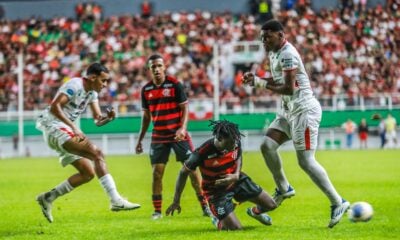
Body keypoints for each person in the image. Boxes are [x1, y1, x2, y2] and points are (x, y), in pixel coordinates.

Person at [242, 19, 349, 228]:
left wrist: (260, 83)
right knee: (267, 146)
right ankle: (283, 188)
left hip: (304, 111)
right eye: (262, 37)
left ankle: (338, 202)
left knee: (306, 161)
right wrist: (257, 79)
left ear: (281, 35)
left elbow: (289, 88)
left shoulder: (288, 54)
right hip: (288, 111)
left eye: (267, 36)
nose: (263, 41)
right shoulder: (274, 53)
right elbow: (279, 81)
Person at [35, 63, 140, 223]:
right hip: (54, 126)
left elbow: (97, 120)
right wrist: (74, 127)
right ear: (92, 77)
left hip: (63, 130)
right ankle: (116, 200)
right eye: (103, 81)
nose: (105, 85)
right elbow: (55, 107)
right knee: (97, 154)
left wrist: (108, 118)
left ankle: (48, 197)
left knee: (88, 173)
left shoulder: (92, 93)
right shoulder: (75, 85)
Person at [135, 54, 209, 220]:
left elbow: (185, 109)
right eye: (153, 66)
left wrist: (182, 128)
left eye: (159, 65)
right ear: (149, 69)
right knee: (156, 173)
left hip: (178, 135)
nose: (156, 69)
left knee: (191, 170)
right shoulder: (146, 90)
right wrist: (140, 140)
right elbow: (146, 117)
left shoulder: (175, 84)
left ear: (164, 67)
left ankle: (205, 206)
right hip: (159, 136)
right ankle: (157, 211)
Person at [166, 120, 277, 230]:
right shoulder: (201, 153)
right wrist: (176, 201)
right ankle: (218, 220)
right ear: (219, 139)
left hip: (236, 181)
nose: (234, 145)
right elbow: (182, 173)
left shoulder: (234, 140)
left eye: (235, 142)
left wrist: (236, 175)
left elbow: (238, 155)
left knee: (271, 205)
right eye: (230, 143)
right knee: (236, 229)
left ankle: (255, 212)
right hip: (216, 192)